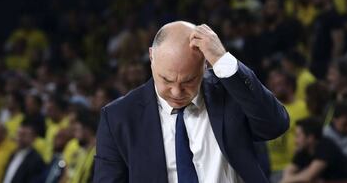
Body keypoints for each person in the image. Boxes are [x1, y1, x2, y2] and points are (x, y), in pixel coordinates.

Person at [94, 21, 289, 183]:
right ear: (152, 56)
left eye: (189, 81)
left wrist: (222, 60)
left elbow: (275, 125)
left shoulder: (230, 90)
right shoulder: (118, 117)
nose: (177, 92)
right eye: (167, 80)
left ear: (205, 64)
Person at [281, 117, 347, 183]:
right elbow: (289, 170)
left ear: (310, 138)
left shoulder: (326, 146)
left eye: (298, 136)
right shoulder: (303, 150)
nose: (295, 140)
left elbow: (307, 177)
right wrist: (287, 179)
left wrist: (287, 180)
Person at [2, 118, 46, 183]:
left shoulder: (36, 160)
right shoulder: (13, 154)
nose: (19, 138)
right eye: (18, 134)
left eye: (23, 135)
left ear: (33, 138)